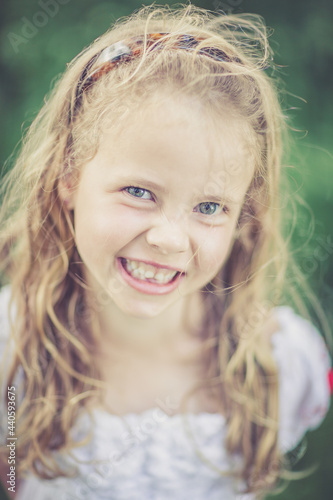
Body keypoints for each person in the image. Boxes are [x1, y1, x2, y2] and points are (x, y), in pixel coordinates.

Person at [0, 4, 332, 499]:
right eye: (138, 192)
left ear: (243, 214)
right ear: (68, 176)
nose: (170, 239)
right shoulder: (11, 349)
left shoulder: (278, 364)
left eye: (210, 205)